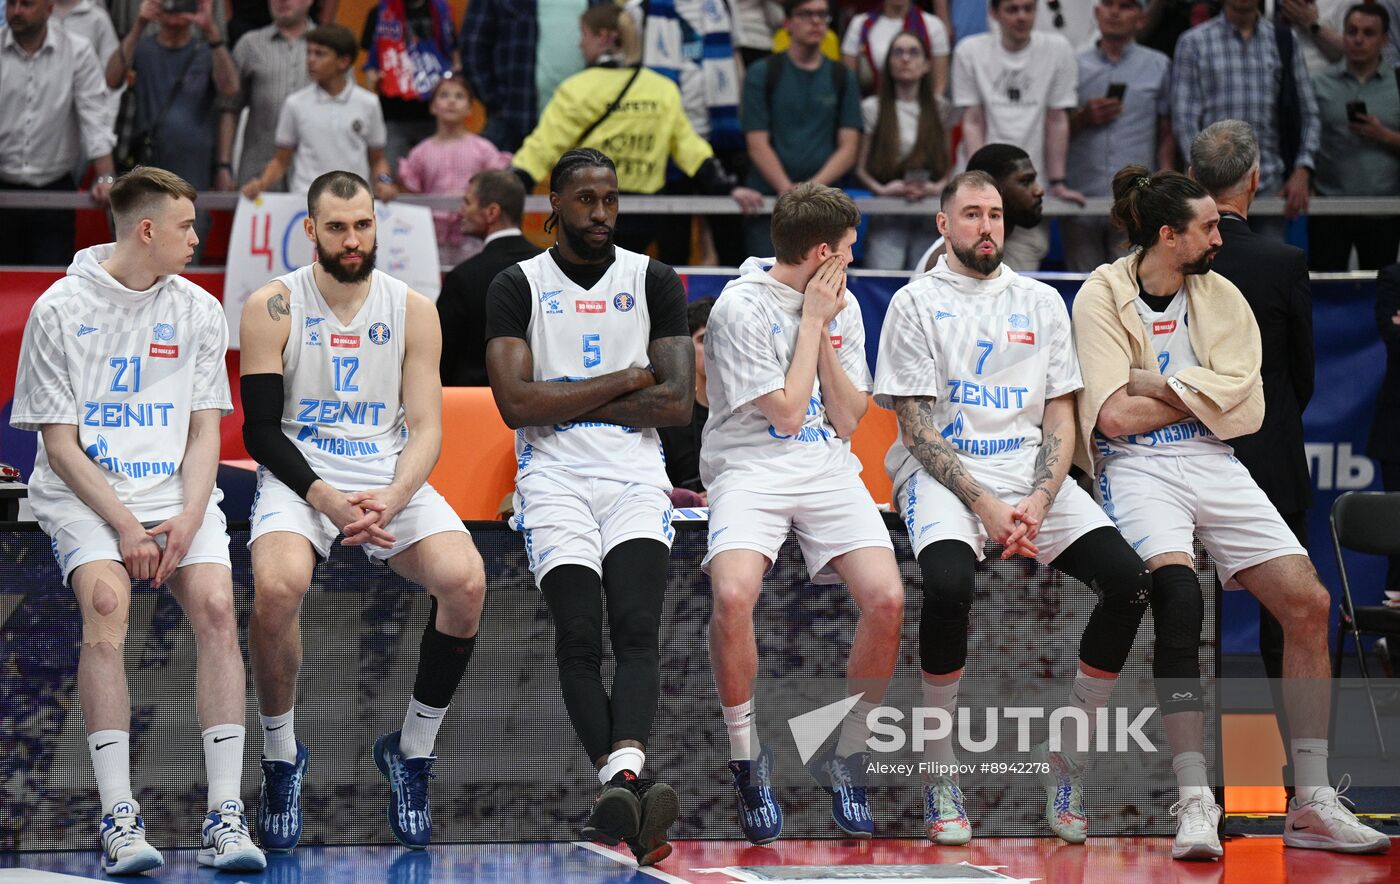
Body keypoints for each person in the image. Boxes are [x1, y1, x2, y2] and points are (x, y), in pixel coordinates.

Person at [1073, 164, 1390, 860]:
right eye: (1209, 226)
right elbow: (1114, 420)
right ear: (1168, 236)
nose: (1223, 233)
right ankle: (1194, 802)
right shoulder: (1101, 293)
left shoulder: (1221, 295)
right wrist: (1200, 392)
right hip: (1138, 468)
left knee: (1309, 604)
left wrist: (1157, 380)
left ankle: (1310, 800)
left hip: (1215, 460)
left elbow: (1248, 408)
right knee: (1179, 599)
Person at [874, 169, 1153, 848]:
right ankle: (940, 771)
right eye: (971, 214)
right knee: (947, 584)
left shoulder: (1039, 300)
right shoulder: (914, 302)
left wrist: (1039, 496)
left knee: (1128, 582)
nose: (987, 226)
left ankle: (1069, 761)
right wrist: (985, 505)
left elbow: (1062, 414)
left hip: (1030, 477)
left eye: (995, 213)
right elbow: (914, 427)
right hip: (945, 475)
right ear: (943, 225)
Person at [10, 166, 265, 874]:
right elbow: (58, 445)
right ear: (146, 229)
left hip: (174, 491)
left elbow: (207, 432)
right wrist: (125, 526)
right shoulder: (59, 309)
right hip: (87, 492)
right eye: (188, 227)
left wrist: (186, 517)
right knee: (106, 601)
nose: (197, 238)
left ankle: (225, 818)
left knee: (216, 606)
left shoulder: (199, 309)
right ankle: (119, 818)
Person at [238, 170, 487, 851]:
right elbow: (260, 432)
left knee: (465, 584)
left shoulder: (414, 307)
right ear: (312, 230)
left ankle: (410, 752)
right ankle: (282, 755)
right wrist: (326, 498)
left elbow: (428, 427)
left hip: (385, 477)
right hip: (302, 479)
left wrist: (395, 496)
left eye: (364, 225)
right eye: (339, 227)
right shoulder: (271, 305)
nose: (354, 239)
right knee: (276, 589)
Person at [484, 148, 693, 867]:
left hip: (634, 474)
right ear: (555, 205)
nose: (600, 213)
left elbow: (675, 402)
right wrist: (627, 376)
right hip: (553, 479)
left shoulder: (653, 278)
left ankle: (621, 787)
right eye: (585, 201)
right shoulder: (517, 284)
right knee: (579, 635)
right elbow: (516, 404)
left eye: (610, 200)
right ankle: (630, 786)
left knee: (636, 628)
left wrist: (568, 391)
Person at [701, 183, 904, 845]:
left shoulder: (843, 307)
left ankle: (844, 752)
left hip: (824, 463)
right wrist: (813, 321)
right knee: (733, 595)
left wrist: (825, 318)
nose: (853, 259)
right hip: (750, 463)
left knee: (887, 599)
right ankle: (746, 757)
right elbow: (785, 414)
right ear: (821, 254)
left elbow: (845, 418)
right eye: (847, 250)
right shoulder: (740, 307)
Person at [1190, 118, 1316, 806]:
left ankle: (1195, 792)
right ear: (1256, 178)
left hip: (1174, 463)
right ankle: (1304, 790)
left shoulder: (1161, 260)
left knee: (1182, 628)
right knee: (1289, 626)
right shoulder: (1283, 264)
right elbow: (1303, 378)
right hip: (1267, 460)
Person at [511, 3, 761, 266]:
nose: (580, 45)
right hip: (646, 214)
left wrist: (514, 185)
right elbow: (691, 149)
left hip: (591, 211)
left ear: (604, 37)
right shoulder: (661, 89)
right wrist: (727, 188)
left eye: (583, 35)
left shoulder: (576, 89)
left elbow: (542, 147)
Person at [953, 0, 1083, 270]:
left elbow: (1057, 119)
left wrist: (1057, 181)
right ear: (994, 13)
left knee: (1022, 279)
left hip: (1028, 189)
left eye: (1028, 9)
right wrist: (979, 183)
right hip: (980, 188)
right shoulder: (970, 51)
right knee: (970, 272)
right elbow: (973, 121)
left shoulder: (1057, 49)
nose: (1021, 17)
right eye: (1012, 10)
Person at [1171, 0, 1320, 235]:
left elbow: (1309, 113)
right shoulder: (1193, 42)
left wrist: (1303, 170)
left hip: (1269, 186)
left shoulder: (1284, 40)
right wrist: (1203, 174)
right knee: (1211, 269)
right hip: (1211, 189)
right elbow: (1184, 120)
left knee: (1267, 270)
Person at [740, 0, 863, 257]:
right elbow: (756, 143)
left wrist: (809, 192)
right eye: (806, 14)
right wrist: (788, 191)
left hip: (826, 206)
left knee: (826, 284)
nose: (816, 21)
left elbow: (849, 146)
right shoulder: (762, 73)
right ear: (787, 22)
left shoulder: (842, 76)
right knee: (769, 283)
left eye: (822, 15)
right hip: (770, 205)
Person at [0, 0, 117, 266]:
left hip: (54, 189)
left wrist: (106, 176)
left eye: (26, 4)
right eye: (12, 4)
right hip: (2, 183)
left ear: (49, 8)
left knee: (49, 283)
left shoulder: (77, 51)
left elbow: (95, 116)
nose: (16, 11)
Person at [1062, 0, 1175, 272]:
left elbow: (1167, 133)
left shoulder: (1159, 65)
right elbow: (1053, 129)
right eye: (1108, 5)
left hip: (1137, 197)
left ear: (1141, 17)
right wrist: (1084, 117)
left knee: (1132, 290)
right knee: (1082, 288)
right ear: (1096, 13)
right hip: (1081, 195)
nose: (1114, 12)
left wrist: (1165, 186)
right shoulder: (1072, 65)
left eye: (1125, 6)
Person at [106, 0, 237, 232]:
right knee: (140, 245)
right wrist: (139, 24)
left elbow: (230, 89)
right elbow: (111, 78)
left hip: (193, 173)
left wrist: (211, 30)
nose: (175, 8)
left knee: (187, 249)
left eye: (183, 3)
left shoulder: (207, 52)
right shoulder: (142, 47)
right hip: (144, 169)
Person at [241, 24, 395, 201]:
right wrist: (261, 184)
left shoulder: (369, 103)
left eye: (320, 53)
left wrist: (384, 181)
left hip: (353, 202)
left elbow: (377, 159)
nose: (310, 60)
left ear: (343, 61)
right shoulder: (295, 103)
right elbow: (280, 160)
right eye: (309, 52)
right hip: (306, 201)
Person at [1308, 3, 1400, 271]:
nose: (1358, 39)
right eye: (1352, 31)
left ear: (1384, 40)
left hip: (1384, 209)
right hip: (1329, 209)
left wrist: (1384, 135)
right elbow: (1306, 140)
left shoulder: (1398, 84)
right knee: (1326, 291)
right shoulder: (1319, 84)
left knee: (1381, 291)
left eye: (1368, 33)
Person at [854, 30, 951, 270]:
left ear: (927, 64)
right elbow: (860, 167)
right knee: (883, 282)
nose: (905, 59)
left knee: (927, 283)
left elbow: (949, 162)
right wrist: (883, 190)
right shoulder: (872, 108)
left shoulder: (941, 109)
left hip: (929, 210)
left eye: (913, 52)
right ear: (888, 63)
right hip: (888, 211)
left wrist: (937, 188)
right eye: (898, 52)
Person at [437, 169, 540, 387]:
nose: (460, 211)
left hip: (473, 408)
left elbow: (441, 361)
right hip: (544, 407)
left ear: (492, 212)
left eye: (467, 202)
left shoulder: (462, 278)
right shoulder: (551, 267)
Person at [397, 75, 514, 266]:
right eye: (444, 95)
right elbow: (411, 193)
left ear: (470, 108)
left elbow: (496, 188)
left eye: (459, 96)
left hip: (473, 237)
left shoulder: (483, 149)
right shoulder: (420, 152)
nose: (451, 101)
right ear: (432, 106)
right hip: (431, 238)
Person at [460, 0, 602, 153]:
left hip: (585, 122)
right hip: (513, 122)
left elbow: (613, 42)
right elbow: (473, 47)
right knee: (503, 176)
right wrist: (496, 102)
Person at [216, 0, 313, 192]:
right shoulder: (249, 44)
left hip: (313, 171)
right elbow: (230, 108)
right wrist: (223, 165)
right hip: (258, 170)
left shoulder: (328, 44)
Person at [914, 143, 1043, 273]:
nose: (1039, 190)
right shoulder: (949, 262)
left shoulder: (988, 245)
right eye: (1026, 181)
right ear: (993, 191)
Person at [359, 0, 457, 170]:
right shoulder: (379, 12)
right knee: (390, 175)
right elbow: (371, 63)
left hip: (435, 115)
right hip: (393, 114)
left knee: (437, 175)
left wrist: (451, 80)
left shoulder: (440, 10)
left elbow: (453, 54)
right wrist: (375, 80)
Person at [658, 297, 715, 500]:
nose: (714, 347)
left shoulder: (754, 412)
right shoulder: (669, 421)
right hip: (685, 528)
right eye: (703, 339)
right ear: (686, 349)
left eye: (722, 338)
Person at [840, 0, 950, 95]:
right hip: (871, 111)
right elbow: (849, 85)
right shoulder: (859, 25)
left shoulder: (934, 26)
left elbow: (939, 86)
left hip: (922, 110)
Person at [1370, 262, 1400, 594]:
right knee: (1398, 539)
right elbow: (1393, 336)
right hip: (1396, 433)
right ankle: (1395, 642)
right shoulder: (1394, 277)